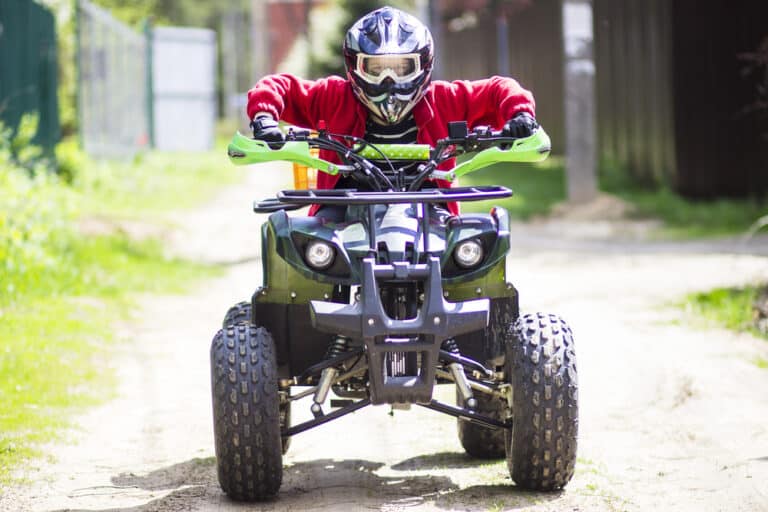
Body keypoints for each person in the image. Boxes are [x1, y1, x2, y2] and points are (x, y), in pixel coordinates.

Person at [246, 6, 538, 218]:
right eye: (375, 68)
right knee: (300, 246)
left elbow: (499, 89)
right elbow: (280, 86)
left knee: (475, 248)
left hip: (431, 205)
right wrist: (264, 117)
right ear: (354, 66)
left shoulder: (445, 99)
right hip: (343, 204)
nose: (389, 79)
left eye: (401, 67)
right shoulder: (334, 96)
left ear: (422, 65)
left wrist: (520, 115)